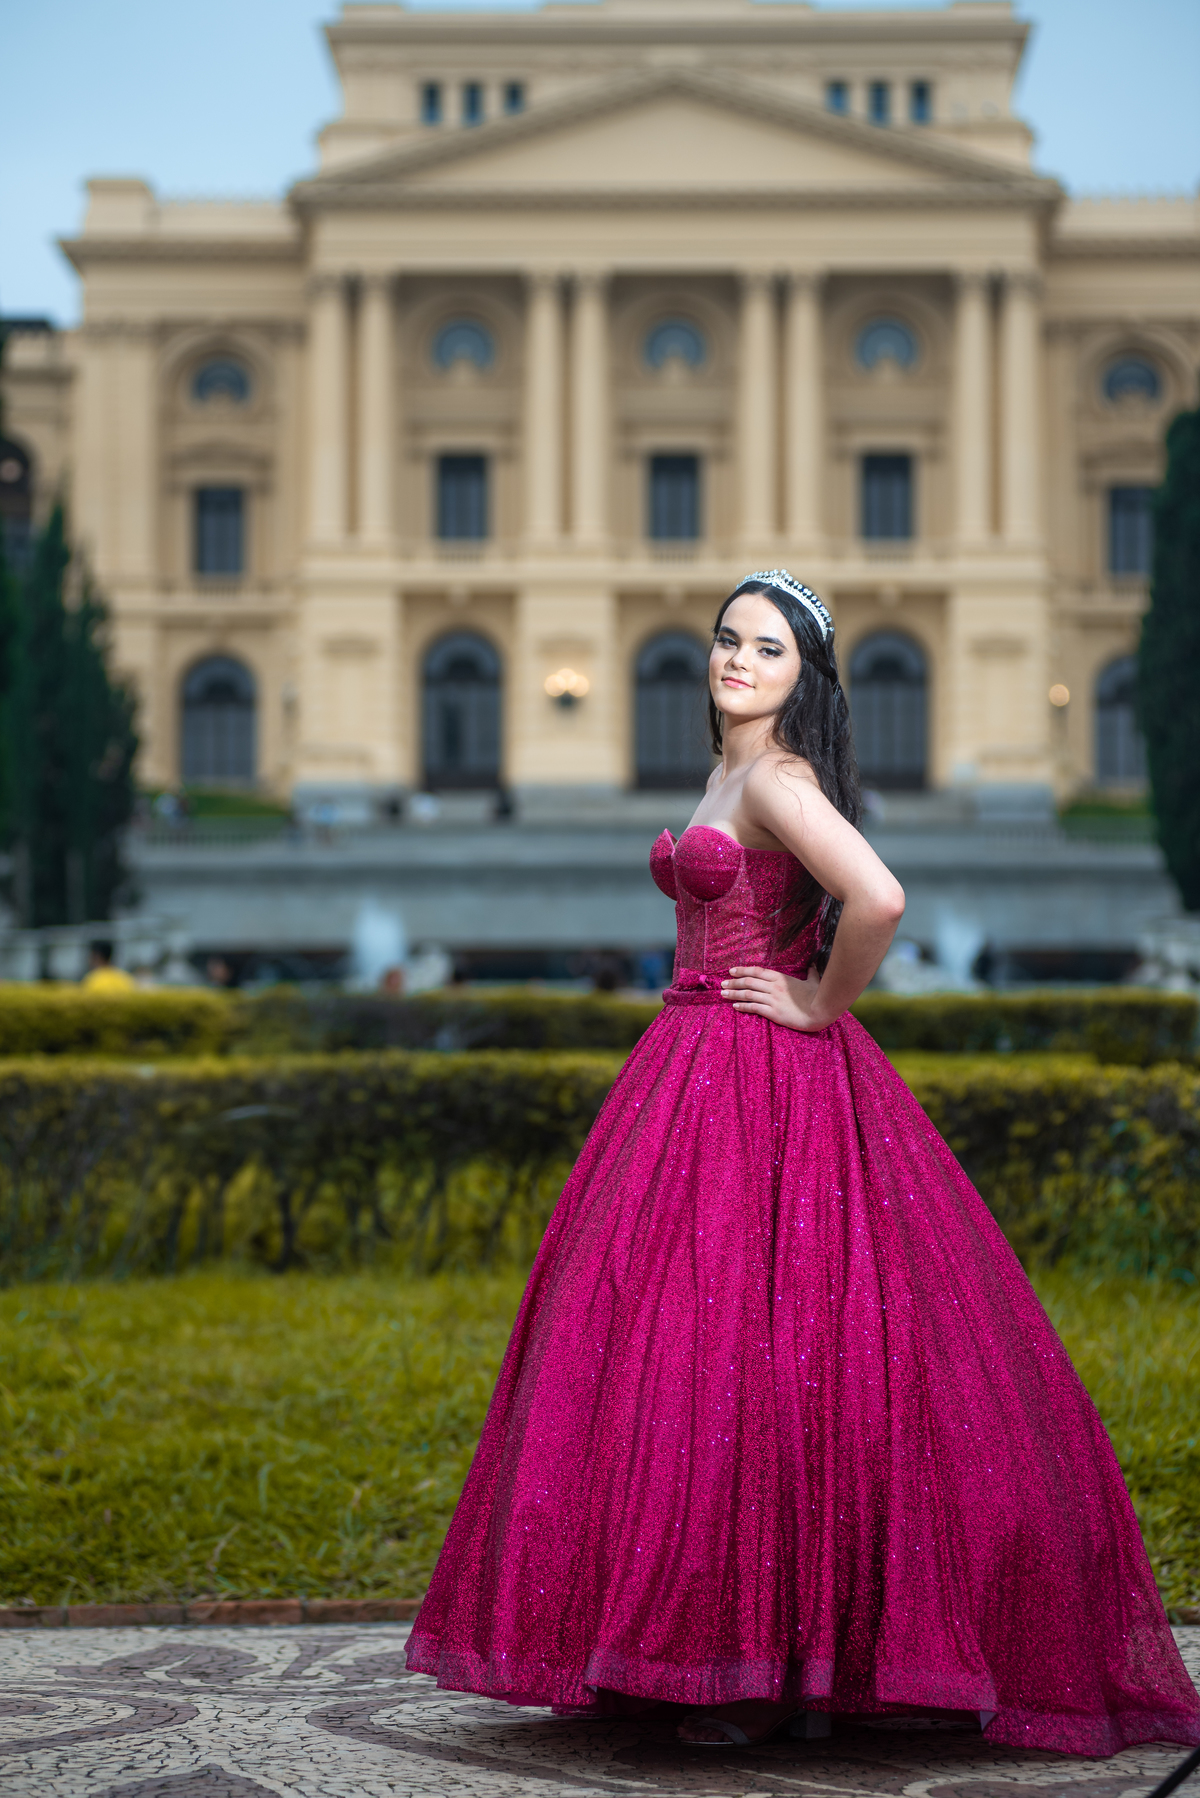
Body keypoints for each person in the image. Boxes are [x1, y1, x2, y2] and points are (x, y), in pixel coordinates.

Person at [406, 571, 1200, 1757]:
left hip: (758, 1074)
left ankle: (747, 1658)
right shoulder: (731, 772)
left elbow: (876, 894)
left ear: (803, 677)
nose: (736, 659)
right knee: (681, 1350)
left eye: (766, 649)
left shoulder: (775, 777)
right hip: (688, 1066)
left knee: (745, 1348)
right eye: (728, 639)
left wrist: (820, 1004)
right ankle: (711, 1645)